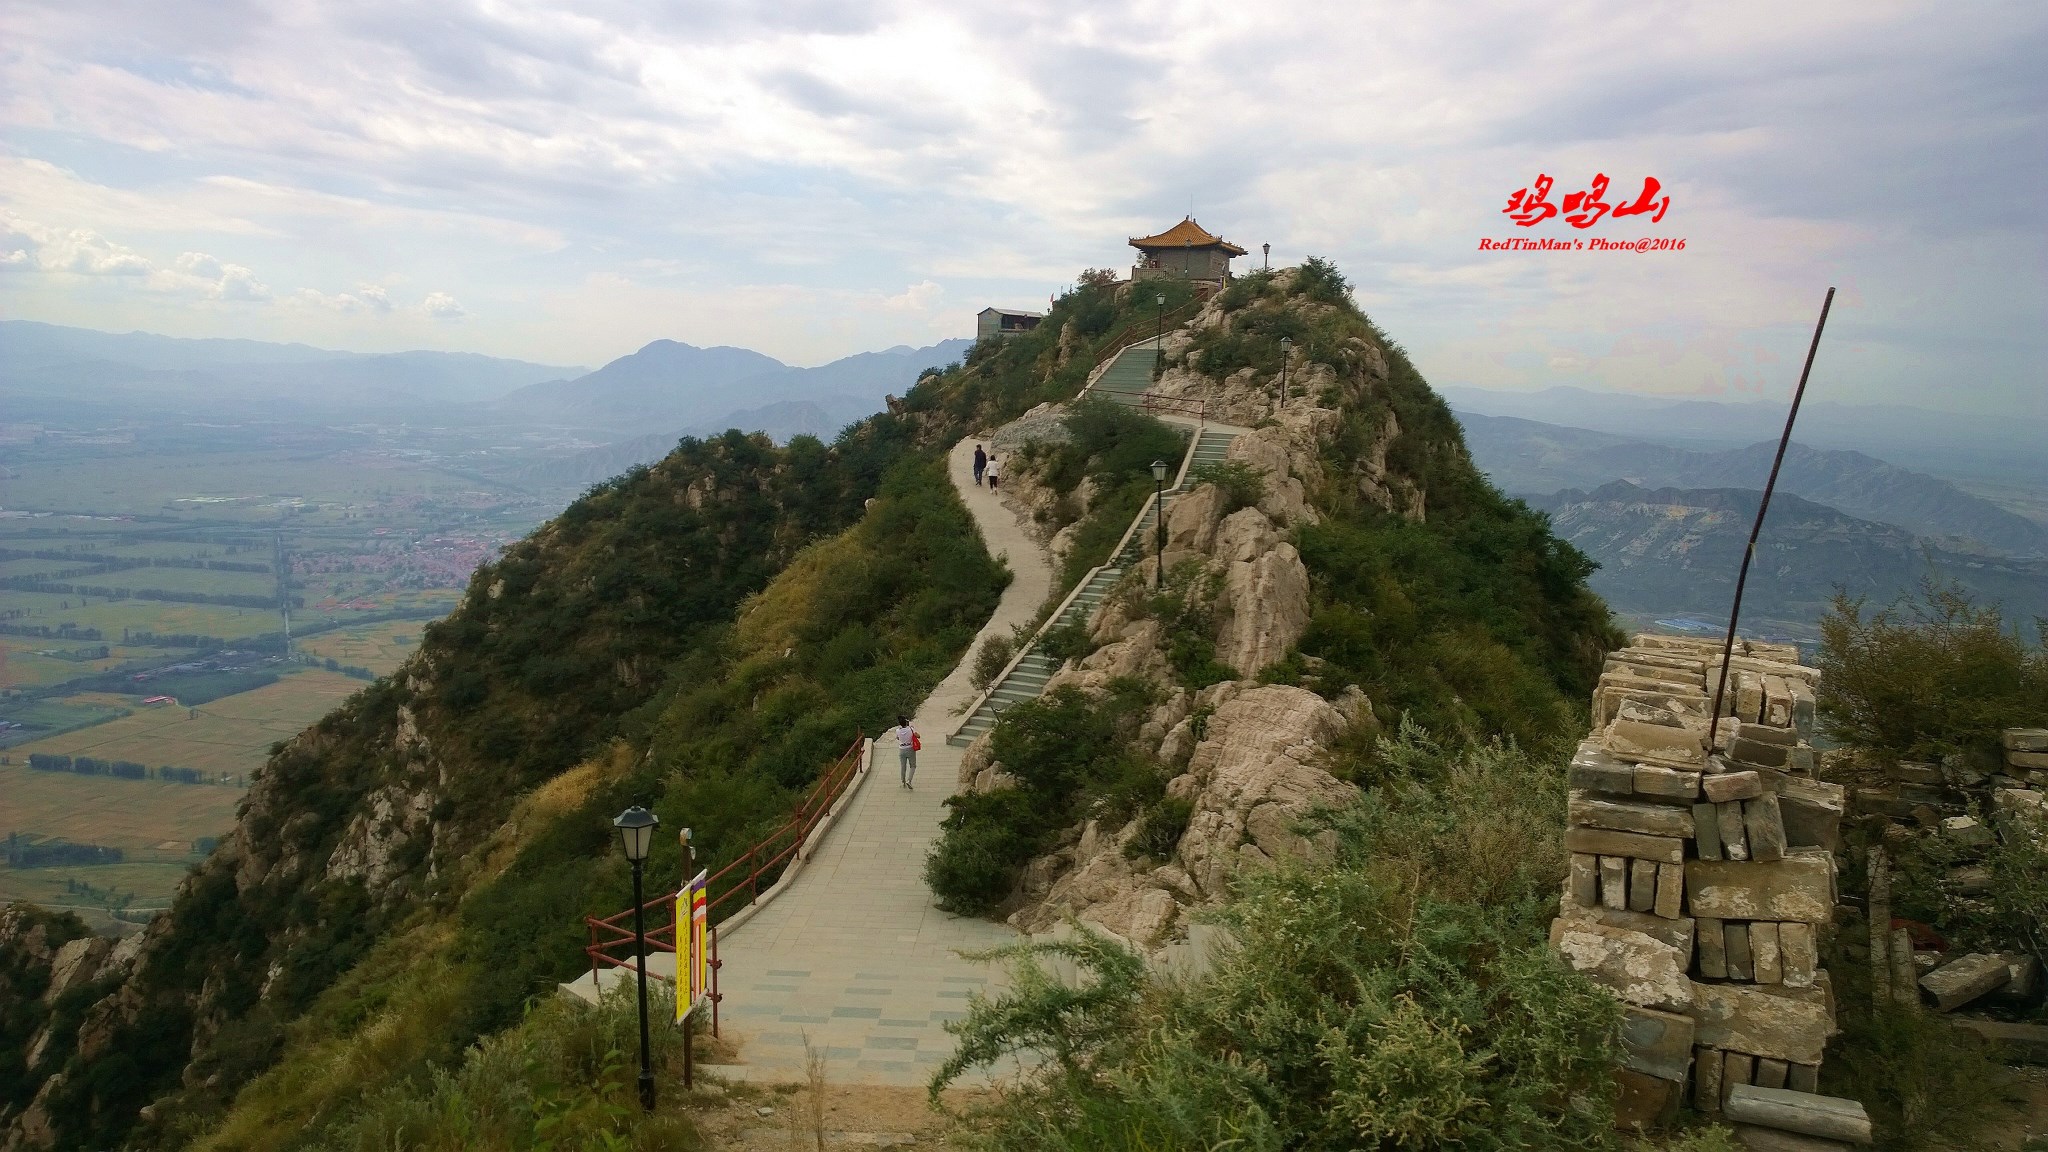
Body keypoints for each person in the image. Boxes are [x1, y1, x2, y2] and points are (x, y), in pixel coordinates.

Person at [895, 715, 919, 788]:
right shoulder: (911, 729)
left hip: (902, 749)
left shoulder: (897, 730)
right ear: (906, 722)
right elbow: (918, 736)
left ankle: (903, 782)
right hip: (910, 749)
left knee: (903, 766)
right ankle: (909, 780)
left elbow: (898, 738)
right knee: (913, 765)